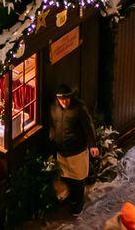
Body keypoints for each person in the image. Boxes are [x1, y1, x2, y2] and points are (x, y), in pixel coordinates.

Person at [49, 85, 96, 213]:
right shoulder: (54, 108)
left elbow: (88, 126)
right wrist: (52, 135)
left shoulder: (79, 109)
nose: (64, 102)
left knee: (78, 179)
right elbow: (53, 124)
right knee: (66, 177)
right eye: (61, 99)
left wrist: (93, 145)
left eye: (66, 99)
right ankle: (72, 199)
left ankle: (78, 205)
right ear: (57, 99)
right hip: (61, 150)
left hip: (77, 150)